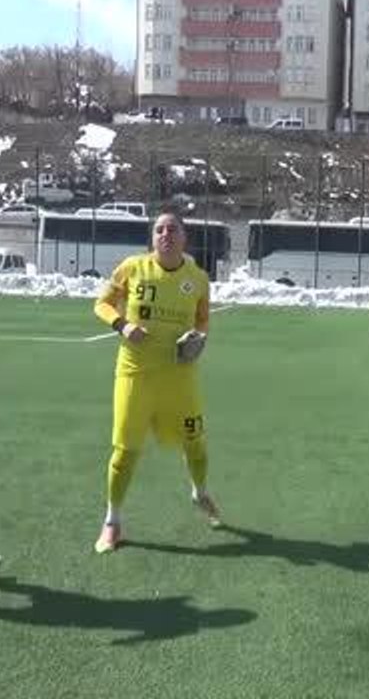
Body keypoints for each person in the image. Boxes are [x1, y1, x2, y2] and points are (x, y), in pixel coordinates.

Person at [92, 212, 218, 554]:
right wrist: (122, 324)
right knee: (125, 451)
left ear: (184, 237)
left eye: (172, 229)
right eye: (159, 230)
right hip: (135, 373)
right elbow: (101, 304)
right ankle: (112, 521)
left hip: (180, 376)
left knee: (196, 442)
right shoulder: (132, 267)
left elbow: (204, 321)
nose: (165, 235)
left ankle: (200, 491)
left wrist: (198, 338)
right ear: (152, 238)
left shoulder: (199, 279)